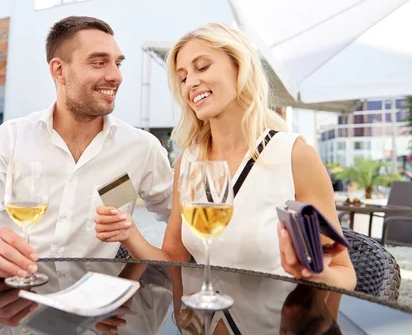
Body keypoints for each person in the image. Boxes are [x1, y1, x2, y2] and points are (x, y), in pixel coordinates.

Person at [94, 23, 357, 290]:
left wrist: (316, 273)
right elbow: (173, 262)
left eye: (203, 67)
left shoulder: (295, 156)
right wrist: (129, 235)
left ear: (239, 67)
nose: (191, 83)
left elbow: (343, 272)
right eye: (183, 77)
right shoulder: (189, 161)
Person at [0, 16, 174, 279]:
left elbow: (184, 221)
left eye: (117, 63)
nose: (115, 76)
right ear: (58, 70)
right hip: (18, 303)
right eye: (99, 62)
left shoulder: (141, 148)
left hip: (96, 309)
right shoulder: (12, 137)